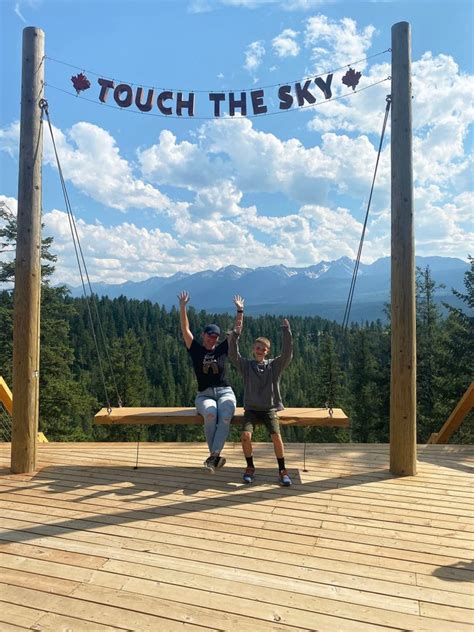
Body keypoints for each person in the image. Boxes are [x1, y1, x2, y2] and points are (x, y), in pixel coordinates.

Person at [178, 291, 244, 473]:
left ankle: (213, 456)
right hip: (204, 394)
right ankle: (214, 457)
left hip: (225, 391)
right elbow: (185, 329)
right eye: (209, 335)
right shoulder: (195, 349)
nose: (212, 339)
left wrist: (240, 311)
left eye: (215, 336)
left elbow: (237, 331)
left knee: (225, 416)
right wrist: (183, 307)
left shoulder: (223, 348)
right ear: (203, 334)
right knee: (210, 414)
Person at [228, 319, 293, 486]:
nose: (260, 351)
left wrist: (286, 332)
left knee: (276, 437)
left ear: (267, 351)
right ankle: (250, 467)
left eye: (263, 349)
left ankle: (282, 470)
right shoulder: (247, 366)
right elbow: (234, 355)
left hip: (270, 409)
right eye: (257, 348)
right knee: (245, 436)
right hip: (251, 410)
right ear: (253, 349)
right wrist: (234, 335)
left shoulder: (274, 366)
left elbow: (287, 354)